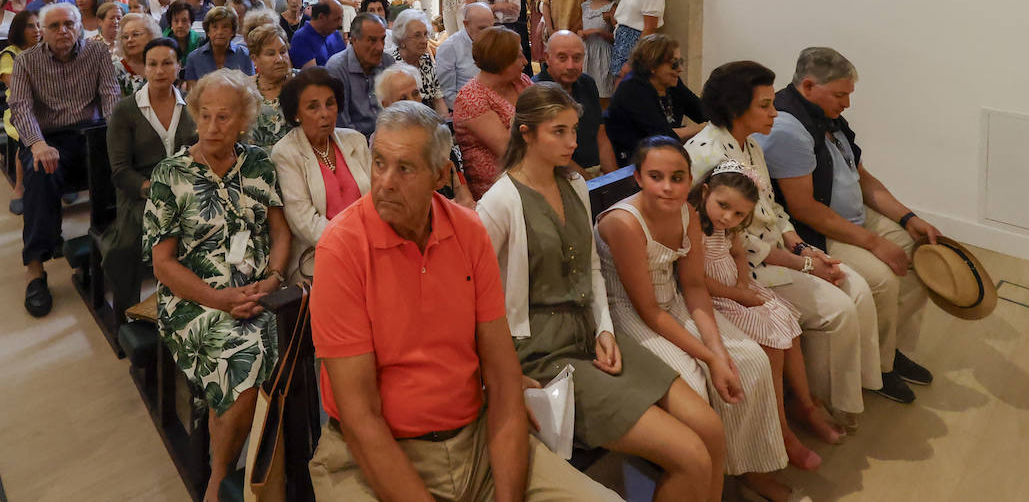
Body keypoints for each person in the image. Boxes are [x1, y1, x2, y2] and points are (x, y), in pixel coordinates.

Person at [307, 102, 617, 502]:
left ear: (440, 175)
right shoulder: (341, 247)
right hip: (374, 455)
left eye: (404, 168)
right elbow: (360, 417)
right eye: (379, 163)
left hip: (474, 441)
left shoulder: (468, 232)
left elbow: (504, 379)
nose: (384, 182)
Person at [478, 85, 724, 500]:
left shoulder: (572, 183)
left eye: (574, 130)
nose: (573, 142)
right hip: (540, 352)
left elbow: (590, 267)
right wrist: (503, 377)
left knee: (712, 432)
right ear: (527, 133)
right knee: (691, 456)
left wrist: (606, 329)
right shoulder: (500, 203)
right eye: (559, 132)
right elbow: (475, 300)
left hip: (589, 333)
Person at [596, 137, 792, 501]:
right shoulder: (625, 223)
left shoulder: (687, 213)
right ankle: (701, 484)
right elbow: (648, 310)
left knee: (749, 361)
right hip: (630, 314)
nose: (667, 187)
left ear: (691, 182)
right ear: (638, 177)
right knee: (696, 384)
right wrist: (708, 358)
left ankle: (748, 469)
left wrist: (717, 349)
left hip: (673, 301)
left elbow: (693, 285)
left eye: (677, 177)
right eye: (656, 176)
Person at [686, 61, 882, 422]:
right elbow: (731, 237)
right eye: (764, 105)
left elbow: (772, 206)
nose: (775, 112)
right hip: (738, 266)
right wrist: (804, 264)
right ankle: (822, 406)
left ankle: (858, 391)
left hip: (776, 252)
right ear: (734, 107)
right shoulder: (706, 154)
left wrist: (800, 246)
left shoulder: (750, 146)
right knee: (837, 311)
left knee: (856, 286)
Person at [141, 69, 290, 502]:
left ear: (244, 119)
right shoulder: (172, 174)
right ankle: (219, 476)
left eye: (223, 118)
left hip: (260, 289)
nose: (210, 127)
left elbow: (280, 232)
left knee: (286, 344)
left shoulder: (259, 162)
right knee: (247, 357)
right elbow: (163, 265)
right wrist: (219, 299)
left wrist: (274, 279)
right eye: (204, 116)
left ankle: (273, 464)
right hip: (195, 300)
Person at [760, 47, 938, 403]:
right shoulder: (787, 127)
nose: (847, 104)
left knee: (924, 259)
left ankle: (888, 349)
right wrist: (873, 242)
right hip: (817, 229)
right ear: (809, 86)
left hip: (850, 215)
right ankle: (879, 370)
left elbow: (863, 179)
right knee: (884, 279)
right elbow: (805, 208)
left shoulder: (828, 115)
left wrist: (908, 218)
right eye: (841, 95)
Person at [692, 162, 846, 461]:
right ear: (705, 192)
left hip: (737, 289)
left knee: (790, 327)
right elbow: (698, 280)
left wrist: (741, 280)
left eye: (738, 214)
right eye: (723, 206)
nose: (727, 217)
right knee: (772, 348)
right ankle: (781, 430)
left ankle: (804, 404)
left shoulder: (729, 227)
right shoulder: (695, 226)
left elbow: (737, 252)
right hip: (717, 297)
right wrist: (737, 293)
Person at [8, 3, 119, 317]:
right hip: (50, 138)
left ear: (79, 26)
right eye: (54, 26)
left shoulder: (97, 54)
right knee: (40, 174)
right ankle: (35, 267)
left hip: (93, 132)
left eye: (69, 24)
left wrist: (116, 136)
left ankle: (113, 248)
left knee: (123, 168)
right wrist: (38, 143)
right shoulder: (27, 61)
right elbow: (20, 107)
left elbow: (110, 94)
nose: (63, 31)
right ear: (42, 31)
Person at [104, 37, 196, 312]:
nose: (159, 71)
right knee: (127, 245)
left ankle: (190, 307)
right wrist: (155, 191)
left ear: (179, 67)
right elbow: (120, 172)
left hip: (186, 190)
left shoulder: (190, 107)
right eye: (152, 64)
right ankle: (126, 312)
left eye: (167, 63)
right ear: (144, 69)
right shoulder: (126, 110)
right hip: (140, 193)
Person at [271, 67, 370, 281]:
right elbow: (304, 222)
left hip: (371, 245)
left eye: (330, 103)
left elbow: (377, 199)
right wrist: (357, 244)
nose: (325, 113)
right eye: (313, 107)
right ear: (296, 114)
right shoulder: (286, 153)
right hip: (319, 257)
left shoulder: (356, 140)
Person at [375, 63, 475, 208]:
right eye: (403, 98)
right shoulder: (383, 146)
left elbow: (463, 194)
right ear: (386, 105)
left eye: (415, 94)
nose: (413, 102)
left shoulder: (436, 133)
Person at [605, 33, 707, 166]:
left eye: (680, 62)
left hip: (663, 155)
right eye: (674, 64)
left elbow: (703, 111)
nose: (680, 69)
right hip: (633, 162)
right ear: (652, 65)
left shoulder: (672, 83)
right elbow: (662, 135)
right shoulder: (632, 89)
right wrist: (703, 128)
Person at [453, 26, 530, 200]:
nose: (525, 61)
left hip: (532, 174)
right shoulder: (471, 98)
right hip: (498, 192)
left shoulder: (521, 81)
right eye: (518, 56)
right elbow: (509, 150)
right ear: (501, 61)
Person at [535, 31, 617, 178]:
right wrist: (588, 182)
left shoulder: (587, 83)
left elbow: (600, 134)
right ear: (547, 58)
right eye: (562, 58)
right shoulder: (537, 90)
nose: (571, 65)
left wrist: (613, 180)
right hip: (559, 176)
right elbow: (548, 152)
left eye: (577, 58)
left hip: (594, 172)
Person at [0, 9, 40, 213]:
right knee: (27, 136)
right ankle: (19, 187)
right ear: (20, 29)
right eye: (31, 26)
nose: (37, 30)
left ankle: (63, 179)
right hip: (20, 109)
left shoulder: (47, 49)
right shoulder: (10, 54)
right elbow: (17, 87)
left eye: (39, 25)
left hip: (49, 106)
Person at [325, 14, 394, 138]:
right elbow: (342, 127)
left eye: (382, 39)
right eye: (372, 40)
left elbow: (397, 110)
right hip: (356, 145)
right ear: (354, 40)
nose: (380, 47)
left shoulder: (388, 62)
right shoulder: (337, 69)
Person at [434, 2, 494, 106]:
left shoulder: (494, 40)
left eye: (491, 27)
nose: (487, 33)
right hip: (465, 108)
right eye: (482, 28)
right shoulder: (450, 48)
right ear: (466, 24)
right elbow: (447, 93)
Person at [389, 8, 446, 117]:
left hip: (429, 121)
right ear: (402, 39)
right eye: (417, 35)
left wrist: (444, 123)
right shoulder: (391, 64)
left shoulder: (426, 60)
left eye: (425, 34)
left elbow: (438, 100)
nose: (425, 40)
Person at [184, 6, 254, 90]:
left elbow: (251, 91)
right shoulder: (194, 58)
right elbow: (192, 96)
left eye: (225, 27)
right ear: (208, 31)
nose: (220, 32)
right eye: (215, 27)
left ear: (232, 31)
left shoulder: (245, 55)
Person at [246, 22, 292, 150]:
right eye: (271, 54)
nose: (280, 59)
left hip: (296, 163)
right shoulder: (243, 90)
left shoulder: (303, 83)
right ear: (255, 59)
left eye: (283, 51)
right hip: (255, 165)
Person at [579, 0, 616, 98]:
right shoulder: (585, 6)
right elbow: (579, 27)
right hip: (586, 52)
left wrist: (600, 32)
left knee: (602, 94)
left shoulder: (610, 8)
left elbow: (618, 38)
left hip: (602, 55)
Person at [288, 0, 345, 69]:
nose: (340, 24)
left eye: (341, 18)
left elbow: (346, 62)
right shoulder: (301, 38)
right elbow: (314, 77)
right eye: (336, 19)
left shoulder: (334, 33)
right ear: (321, 17)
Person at [162, 1, 205, 79]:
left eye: (184, 21)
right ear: (170, 23)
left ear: (191, 23)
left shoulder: (200, 41)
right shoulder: (162, 43)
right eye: (176, 21)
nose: (180, 25)